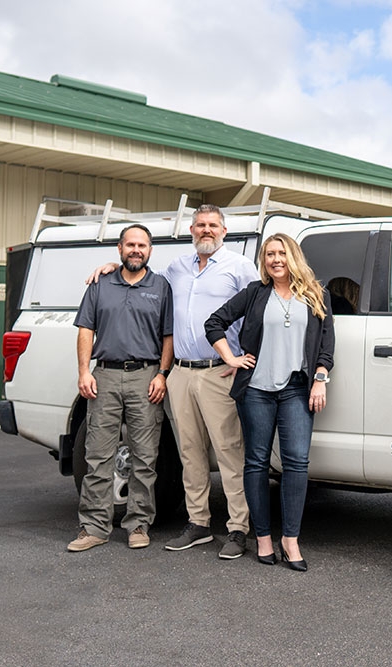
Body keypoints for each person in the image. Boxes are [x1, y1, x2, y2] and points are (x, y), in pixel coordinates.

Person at [87, 204, 260, 560]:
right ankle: (198, 523)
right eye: (200, 225)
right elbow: (137, 274)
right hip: (179, 373)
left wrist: (243, 359)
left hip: (219, 372)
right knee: (189, 452)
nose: (206, 230)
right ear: (192, 230)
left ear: (224, 231)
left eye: (213, 225)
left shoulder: (240, 267)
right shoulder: (176, 269)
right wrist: (109, 267)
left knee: (228, 451)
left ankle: (238, 528)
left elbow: (258, 312)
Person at [205, 233, 334, 572]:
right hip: (257, 391)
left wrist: (319, 379)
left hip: (296, 388)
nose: (275, 259)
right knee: (257, 463)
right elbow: (214, 323)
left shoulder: (317, 295)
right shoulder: (254, 293)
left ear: (293, 256)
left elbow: (326, 348)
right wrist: (231, 358)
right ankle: (262, 537)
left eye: (281, 253)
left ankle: (290, 539)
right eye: (269, 254)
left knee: (297, 463)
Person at [67, 224, 174, 553]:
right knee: (98, 456)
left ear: (150, 251)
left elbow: (168, 336)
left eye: (142, 245)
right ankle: (94, 527)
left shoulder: (161, 286)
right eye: (131, 244)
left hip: (146, 376)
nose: (136, 250)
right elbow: (86, 329)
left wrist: (163, 375)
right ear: (119, 248)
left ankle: (138, 524)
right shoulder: (101, 284)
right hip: (106, 377)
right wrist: (84, 371)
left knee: (145, 457)